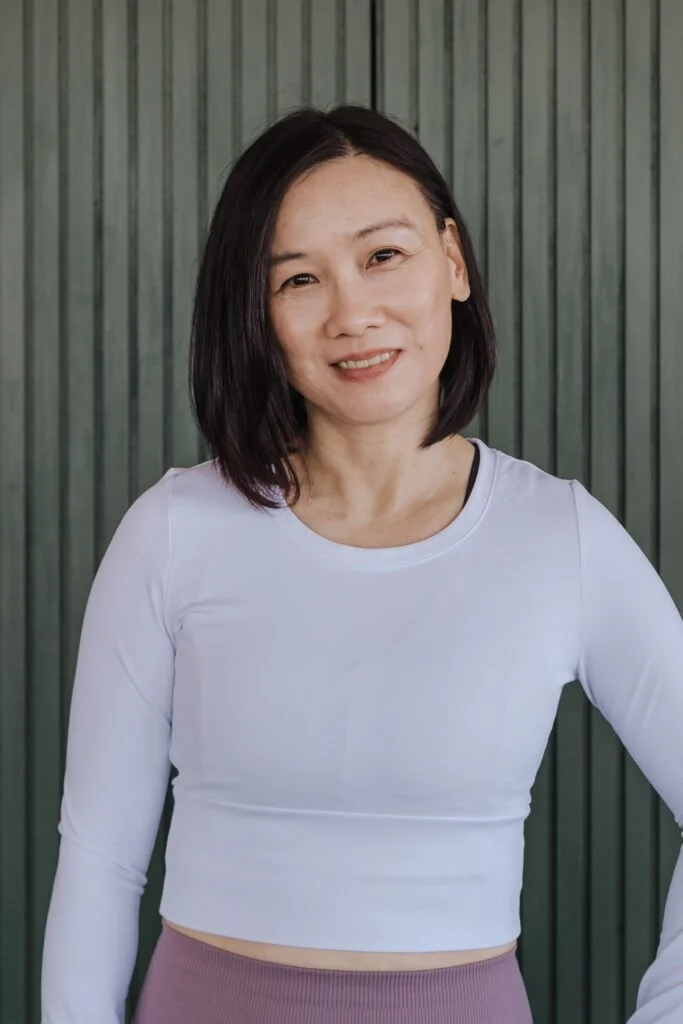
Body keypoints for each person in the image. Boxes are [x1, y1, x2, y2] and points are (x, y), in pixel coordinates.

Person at [40, 104, 683, 1024]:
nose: (352, 314)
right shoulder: (174, 530)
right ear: (257, 315)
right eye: (299, 279)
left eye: (383, 255)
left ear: (451, 262)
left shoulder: (560, 537)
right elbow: (99, 854)